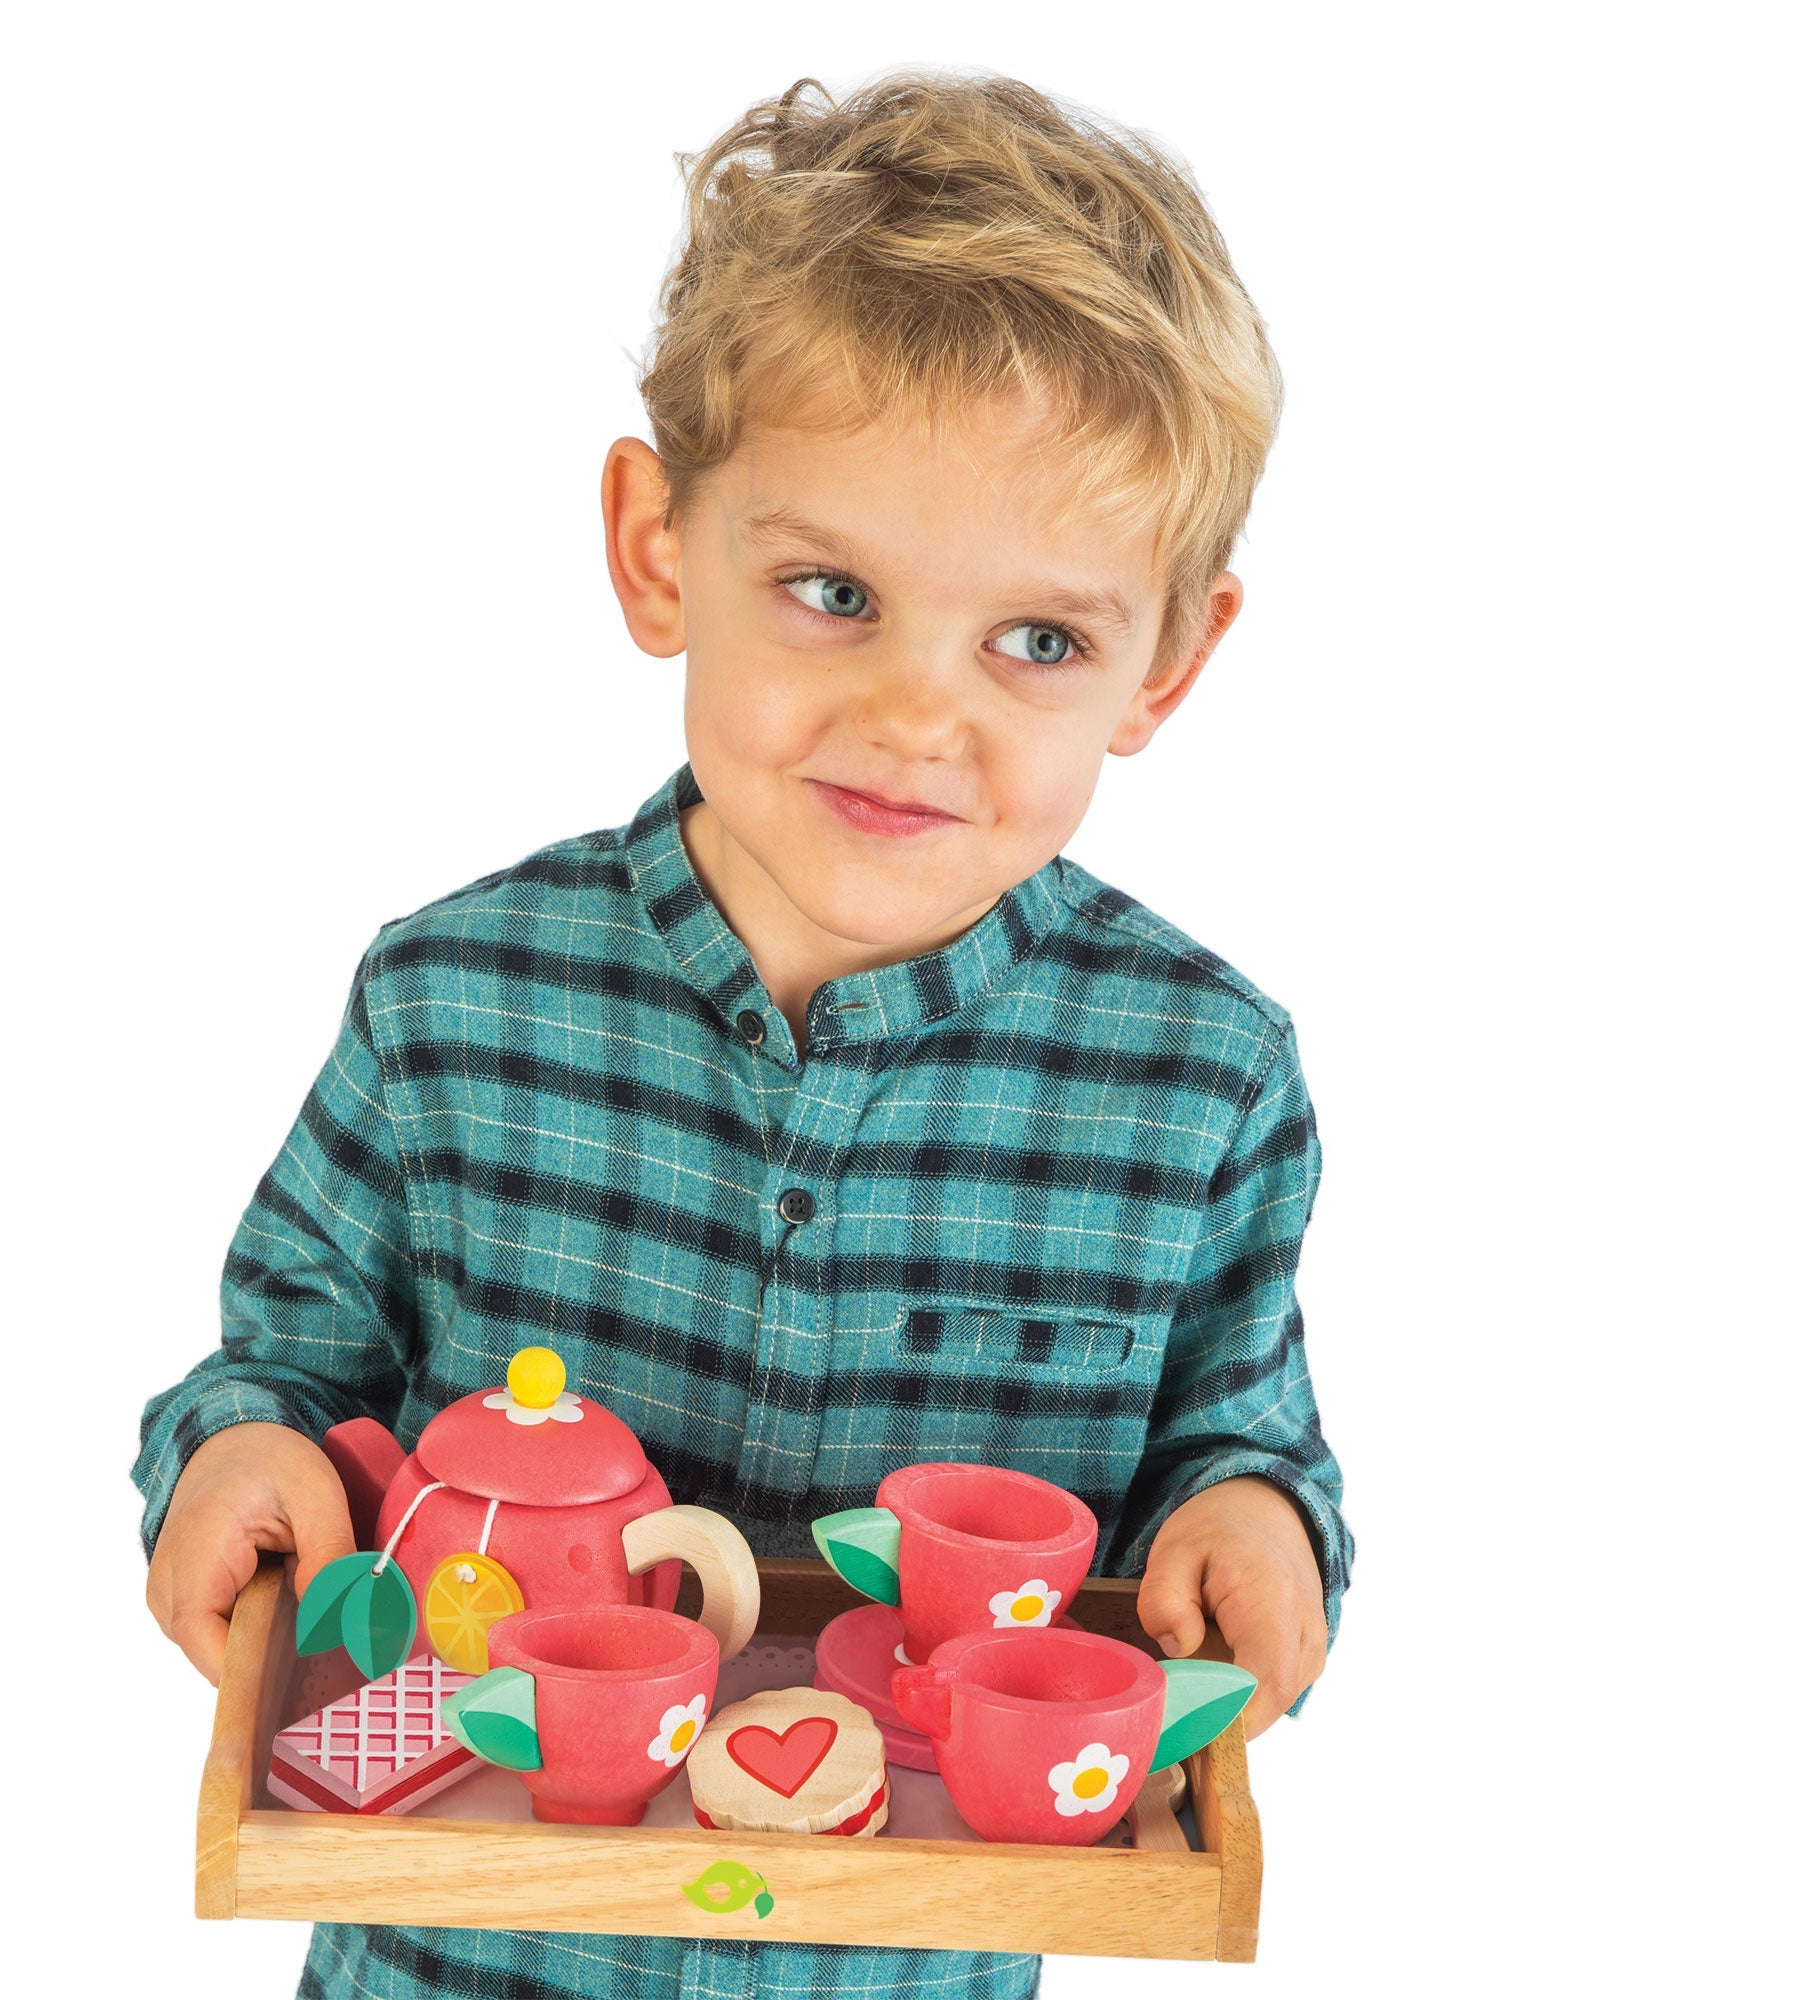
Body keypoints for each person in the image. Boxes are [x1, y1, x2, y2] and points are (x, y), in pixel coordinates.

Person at [135, 69, 1353, 2000]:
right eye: (832, 592)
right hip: (463, 1955)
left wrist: (1252, 1520)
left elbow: (1240, 1438)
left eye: (1034, 640)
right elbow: (279, 1372)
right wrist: (235, 1454)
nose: (915, 713)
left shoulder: (1201, 1081)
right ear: (655, 548)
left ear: (1167, 665)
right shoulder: (452, 1001)